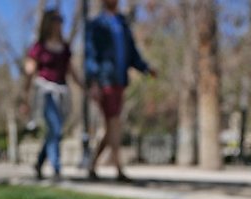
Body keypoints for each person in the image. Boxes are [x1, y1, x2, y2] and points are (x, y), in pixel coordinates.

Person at [85, 0, 156, 181]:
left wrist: (146, 68)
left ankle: (92, 165)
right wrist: (93, 82)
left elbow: (132, 53)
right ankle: (119, 169)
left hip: (120, 81)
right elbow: (91, 55)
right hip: (105, 81)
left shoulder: (123, 24)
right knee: (114, 123)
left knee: (111, 127)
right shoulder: (96, 24)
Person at [23, 9, 82, 181]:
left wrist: (85, 87)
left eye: (61, 20)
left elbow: (72, 71)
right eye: (56, 19)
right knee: (55, 127)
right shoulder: (39, 47)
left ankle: (39, 162)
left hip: (62, 91)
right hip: (45, 91)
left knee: (54, 132)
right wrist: (25, 97)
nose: (60, 23)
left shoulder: (64, 48)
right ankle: (57, 169)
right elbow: (30, 70)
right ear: (48, 22)